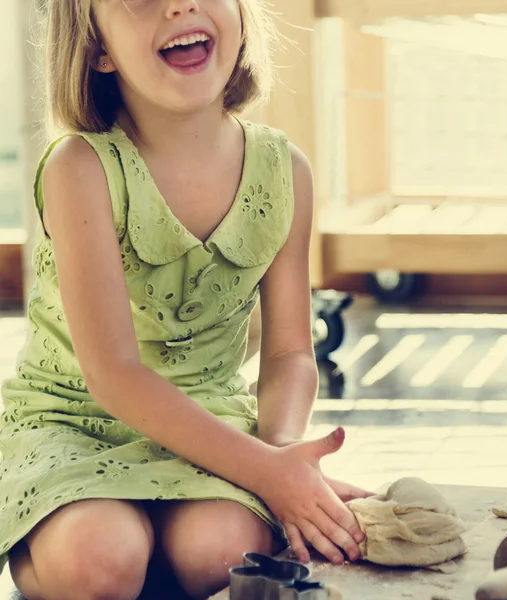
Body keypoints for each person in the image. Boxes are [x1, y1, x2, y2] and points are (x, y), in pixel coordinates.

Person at [0, 1, 374, 599]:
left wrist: (280, 455)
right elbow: (115, 375)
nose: (180, 4)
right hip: (70, 423)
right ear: (96, 49)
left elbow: (288, 356)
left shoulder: (285, 171)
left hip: (209, 413)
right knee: (102, 559)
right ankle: (40, 552)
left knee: (224, 554)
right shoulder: (80, 167)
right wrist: (265, 475)